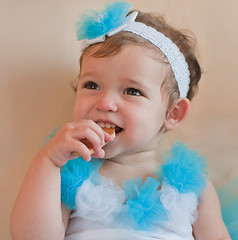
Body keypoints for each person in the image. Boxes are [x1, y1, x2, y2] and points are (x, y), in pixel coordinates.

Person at [10, 1, 231, 239]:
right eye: (91, 85)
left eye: (132, 91)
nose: (104, 103)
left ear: (172, 114)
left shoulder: (192, 187)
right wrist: (47, 162)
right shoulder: (68, 173)